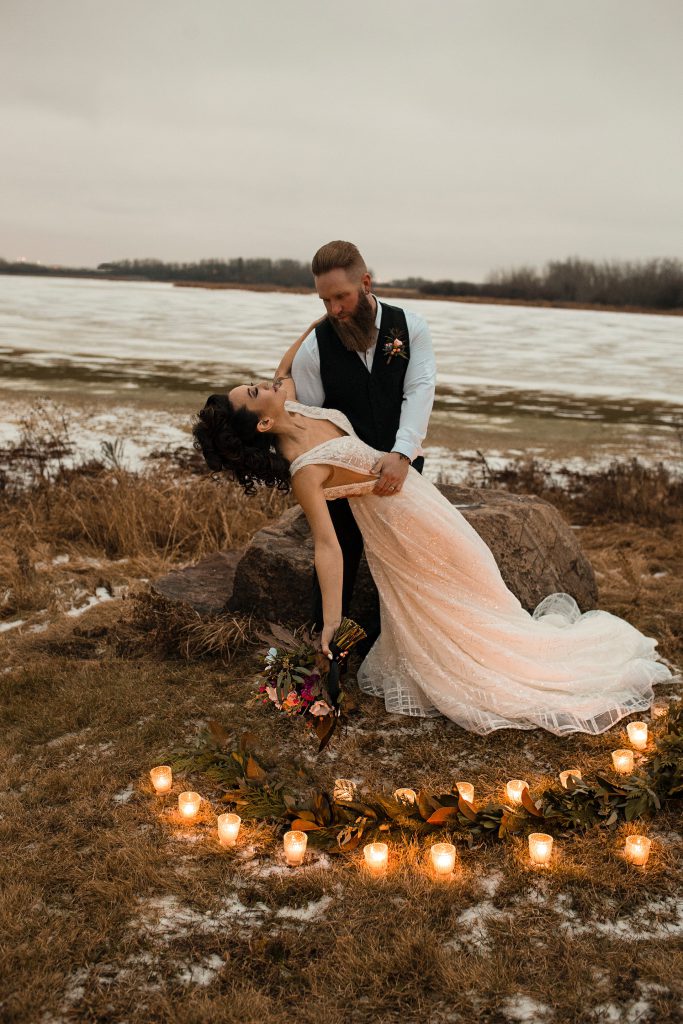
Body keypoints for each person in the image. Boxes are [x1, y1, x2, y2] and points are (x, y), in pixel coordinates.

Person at [192, 349, 672, 737]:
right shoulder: (303, 468)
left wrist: (326, 315)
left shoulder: (290, 404)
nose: (266, 383)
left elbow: (284, 366)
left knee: (483, 581)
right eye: (254, 392)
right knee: (454, 599)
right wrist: (333, 623)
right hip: (400, 533)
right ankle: (504, 669)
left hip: (424, 502)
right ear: (261, 423)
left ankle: (513, 645)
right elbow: (328, 546)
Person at [282, 240, 436, 652]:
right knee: (339, 555)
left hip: (400, 467)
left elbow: (419, 391)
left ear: (365, 283)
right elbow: (314, 423)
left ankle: (411, 649)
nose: (334, 310)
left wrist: (401, 455)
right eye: (325, 300)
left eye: (341, 297)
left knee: (408, 561)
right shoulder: (314, 349)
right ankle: (327, 653)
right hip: (341, 476)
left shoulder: (412, 327)